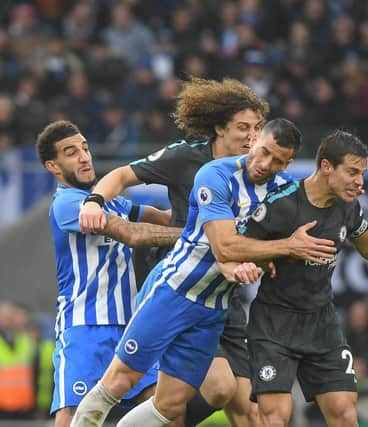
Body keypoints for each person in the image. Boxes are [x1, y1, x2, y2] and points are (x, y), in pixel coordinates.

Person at [70, 118, 337, 426]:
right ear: (256, 140)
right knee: (119, 380)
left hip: (214, 308)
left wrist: (263, 260)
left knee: (170, 406)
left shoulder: (282, 193)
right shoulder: (215, 174)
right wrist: (287, 246)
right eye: (263, 152)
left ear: (288, 163)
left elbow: (265, 249)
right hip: (174, 291)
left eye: (278, 160)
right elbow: (224, 248)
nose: (265, 163)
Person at [79, 77, 269, 426]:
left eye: (257, 127)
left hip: (226, 293)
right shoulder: (185, 157)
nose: (251, 136)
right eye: (243, 127)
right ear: (218, 128)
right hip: (184, 287)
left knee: (249, 410)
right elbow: (121, 175)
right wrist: (93, 201)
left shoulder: (258, 171)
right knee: (217, 389)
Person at [242, 130, 368, 427]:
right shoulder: (282, 204)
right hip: (274, 323)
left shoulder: (347, 206)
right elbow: (240, 248)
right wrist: (278, 251)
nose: (359, 182)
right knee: (275, 417)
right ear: (327, 166)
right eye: (352, 172)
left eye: (362, 174)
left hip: (321, 323)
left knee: (344, 413)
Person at [35, 120, 184, 427]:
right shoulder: (66, 204)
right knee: (74, 416)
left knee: (166, 409)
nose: (84, 157)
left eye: (86, 148)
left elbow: (162, 219)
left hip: (131, 323)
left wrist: (209, 217)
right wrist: (194, 237)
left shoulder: (109, 199)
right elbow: (133, 234)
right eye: (71, 152)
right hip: (85, 326)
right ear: (52, 165)